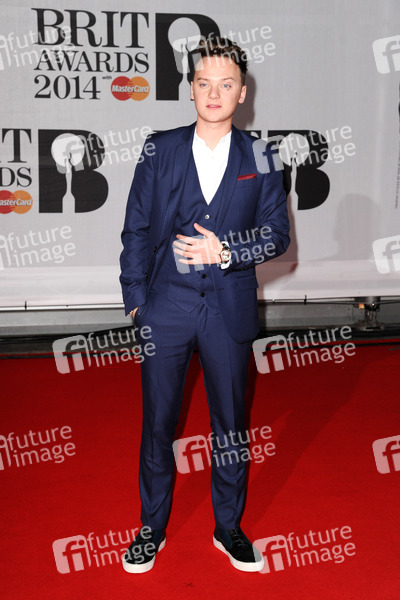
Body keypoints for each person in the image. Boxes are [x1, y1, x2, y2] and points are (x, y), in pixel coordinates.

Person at [119, 35, 290, 574]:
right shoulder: (159, 148)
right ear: (191, 89)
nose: (214, 93)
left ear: (242, 93)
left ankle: (228, 526)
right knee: (157, 424)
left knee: (231, 425)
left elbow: (277, 235)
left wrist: (229, 251)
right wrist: (136, 302)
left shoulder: (263, 155)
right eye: (204, 83)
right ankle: (151, 527)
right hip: (165, 307)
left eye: (226, 84)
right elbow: (136, 229)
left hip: (228, 308)